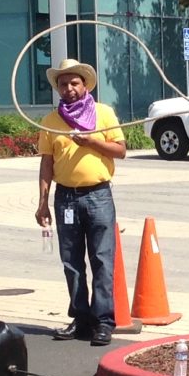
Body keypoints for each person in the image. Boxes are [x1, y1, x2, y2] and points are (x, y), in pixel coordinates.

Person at [35, 57, 126, 346]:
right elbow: (46, 164)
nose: (69, 88)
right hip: (66, 198)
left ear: (84, 85)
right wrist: (42, 201)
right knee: (71, 261)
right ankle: (81, 317)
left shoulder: (103, 113)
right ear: (58, 88)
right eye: (63, 84)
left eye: (74, 82)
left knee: (102, 258)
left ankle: (103, 321)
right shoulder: (51, 121)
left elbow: (120, 150)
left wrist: (92, 142)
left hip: (98, 194)